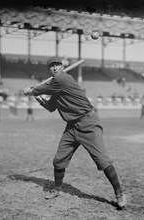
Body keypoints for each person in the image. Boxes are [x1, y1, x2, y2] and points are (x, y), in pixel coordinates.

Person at [23, 56, 127, 209]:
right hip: (72, 127)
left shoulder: (63, 80)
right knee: (59, 160)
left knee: (102, 160)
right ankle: (57, 189)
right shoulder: (55, 86)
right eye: (51, 66)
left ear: (62, 67)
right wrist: (37, 97)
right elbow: (51, 107)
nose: (55, 68)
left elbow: (41, 89)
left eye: (57, 65)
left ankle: (119, 194)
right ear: (49, 70)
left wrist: (31, 91)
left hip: (88, 123)